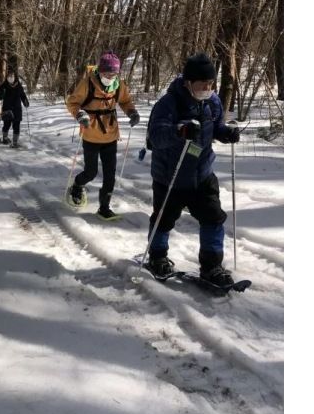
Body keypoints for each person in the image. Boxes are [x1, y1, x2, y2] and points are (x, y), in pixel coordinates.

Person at [144, 52, 241, 286]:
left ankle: (212, 266)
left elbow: (215, 126)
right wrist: (180, 132)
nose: (208, 88)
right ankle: (157, 257)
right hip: (171, 175)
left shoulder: (213, 101)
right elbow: (154, 138)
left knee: (213, 218)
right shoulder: (169, 103)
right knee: (164, 220)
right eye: (203, 84)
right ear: (188, 82)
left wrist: (225, 132)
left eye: (211, 84)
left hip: (203, 174)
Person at [65, 50, 140, 221]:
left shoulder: (118, 84)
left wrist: (132, 113)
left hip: (110, 135)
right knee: (91, 172)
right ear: (100, 70)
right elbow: (73, 102)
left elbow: (126, 101)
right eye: (107, 72)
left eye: (114, 73)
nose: (110, 76)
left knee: (110, 175)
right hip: (91, 133)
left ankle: (104, 207)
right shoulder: (88, 83)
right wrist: (79, 115)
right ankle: (77, 185)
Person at [0, 72, 29, 148]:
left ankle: (15, 142)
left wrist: (25, 102)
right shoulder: (4, 85)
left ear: (15, 77)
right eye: (9, 76)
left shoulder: (19, 86)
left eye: (12, 76)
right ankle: (5, 138)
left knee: (16, 126)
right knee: (6, 125)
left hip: (17, 109)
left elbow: (23, 95)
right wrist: (1, 93)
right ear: (7, 77)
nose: (11, 77)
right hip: (7, 109)